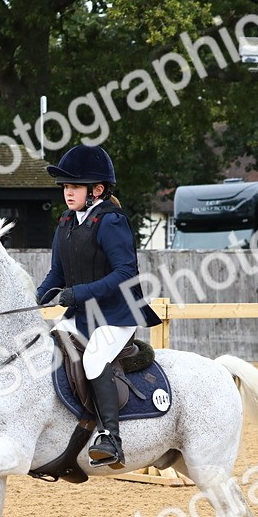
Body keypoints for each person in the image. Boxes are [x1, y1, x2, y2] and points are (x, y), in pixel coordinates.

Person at [35, 145, 161, 467]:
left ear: (98, 189)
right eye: (65, 186)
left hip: (116, 316)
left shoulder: (111, 221)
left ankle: (110, 438)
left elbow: (125, 273)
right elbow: (56, 274)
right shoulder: (65, 222)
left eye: (74, 186)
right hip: (80, 316)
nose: (68, 192)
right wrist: (37, 296)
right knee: (47, 351)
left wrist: (79, 293)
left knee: (92, 358)